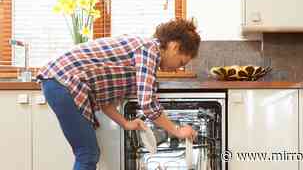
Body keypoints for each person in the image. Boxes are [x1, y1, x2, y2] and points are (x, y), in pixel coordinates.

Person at [36, 19, 200, 170]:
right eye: (181, 62)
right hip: (62, 81)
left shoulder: (144, 56)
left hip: (60, 82)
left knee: (88, 153)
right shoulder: (149, 49)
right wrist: (177, 131)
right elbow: (147, 103)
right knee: (87, 154)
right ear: (174, 47)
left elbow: (106, 100)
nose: (177, 68)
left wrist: (126, 123)